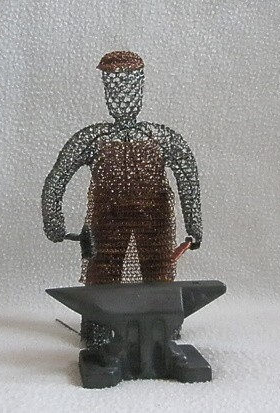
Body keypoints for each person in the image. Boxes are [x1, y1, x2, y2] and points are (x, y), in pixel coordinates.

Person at [42, 51, 202, 344]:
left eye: (129, 86)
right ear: (107, 92)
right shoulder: (93, 139)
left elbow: (188, 176)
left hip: (155, 218)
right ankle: (100, 330)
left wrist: (194, 226)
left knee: (158, 274)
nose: (122, 95)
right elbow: (56, 179)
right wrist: (54, 221)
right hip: (107, 219)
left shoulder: (161, 137)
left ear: (140, 88)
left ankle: (161, 330)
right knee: (102, 274)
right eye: (115, 88)